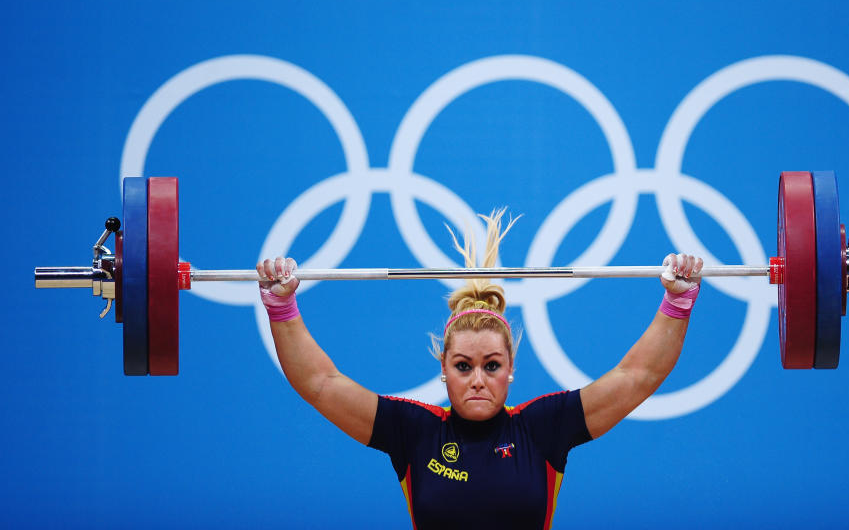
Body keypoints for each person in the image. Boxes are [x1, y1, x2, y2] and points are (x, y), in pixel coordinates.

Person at [257, 209, 703, 530]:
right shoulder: (413, 431)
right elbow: (319, 383)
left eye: (491, 366)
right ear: (444, 372)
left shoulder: (542, 428)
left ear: (510, 370)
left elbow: (637, 377)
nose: (477, 379)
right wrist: (281, 306)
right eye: (463, 366)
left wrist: (677, 301)